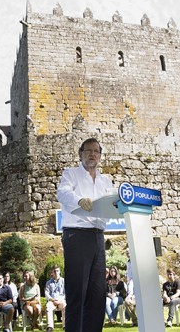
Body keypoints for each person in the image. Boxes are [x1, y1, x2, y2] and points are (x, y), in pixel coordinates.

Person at [56, 137, 113, 332]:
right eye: (88, 150)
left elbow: (113, 202)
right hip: (77, 235)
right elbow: (62, 193)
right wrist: (79, 200)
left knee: (97, 294)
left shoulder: (106, 180)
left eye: (96, 151)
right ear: (81, 153)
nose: (92, 154)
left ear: (100, 155)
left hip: (98, 237)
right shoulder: (71, 174)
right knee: (77, 293)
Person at [44, 266, 65, 332]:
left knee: (65, 305)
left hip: (61, 300)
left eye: (57, 271)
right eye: (54, 271)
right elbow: (47, 293)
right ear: (52, 272)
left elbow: (66, 293)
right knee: (48, 307)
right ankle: (50, 327)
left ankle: (65, 326)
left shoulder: (63, 281)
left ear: (60, 271)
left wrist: (59, 300)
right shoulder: (48, 282)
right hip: (52, 301)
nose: (56, 272)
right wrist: (52, 300)